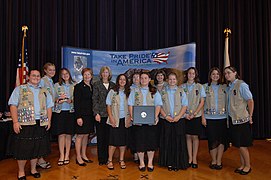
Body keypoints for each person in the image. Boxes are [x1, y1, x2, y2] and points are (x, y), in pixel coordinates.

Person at [7, 69, 53, 179]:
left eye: (38, 76)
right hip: (24, 123)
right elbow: (13, 105)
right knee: (23, 149)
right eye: (33, 75)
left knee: (37, 148)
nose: (36, 77)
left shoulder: (45, 91)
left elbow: (49, 107)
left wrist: (49, 121)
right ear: (28, 77)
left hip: (40, 123)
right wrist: (15, 122)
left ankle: (33, 169)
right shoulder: (20, 89)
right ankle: (21, 172)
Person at [128, 72, 162, 172]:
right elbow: (130, 104)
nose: (143, 80)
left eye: (145, 78)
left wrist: (155, 117)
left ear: (149, 79)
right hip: (138, 122)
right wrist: (132, 116)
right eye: (141, 78)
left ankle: (150, 162)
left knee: (151, 142)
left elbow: (158, 105)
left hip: (151, 122)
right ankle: (142, 162)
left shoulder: (154, 91)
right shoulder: (134, 91)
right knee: (140, 142)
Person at [224, 66, 254, 175]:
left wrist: (250, 115)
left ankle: (248, 166)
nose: (227, 75)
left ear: (235, 73)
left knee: (242, 145)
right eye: (225, 73)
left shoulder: (242, 85)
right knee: (238, 144)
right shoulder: (229, 87)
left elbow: (250, 100)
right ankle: (242, 165)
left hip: (242, 120)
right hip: (233, 120)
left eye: (229, 73)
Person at [159, 72, 189, 171]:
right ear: (167, 80)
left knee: (178, 142)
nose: (172, 81)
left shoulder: (181, 91)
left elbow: (185, 105)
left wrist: (179, 116)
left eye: (174, 79)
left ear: (176, 80)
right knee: (167, 141)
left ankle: (178, 163)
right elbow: (159, 106)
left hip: (178, 120)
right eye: (170, 79)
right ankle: (169, 163)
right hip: (166, 120)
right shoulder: (162, 91)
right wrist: (165, 116)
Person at [201, 67, 228, 170]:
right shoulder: (204, 87)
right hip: (209, 118)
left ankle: (219, 161)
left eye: (217, 74)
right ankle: (213, 160)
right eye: (213, 74)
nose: (215, 76)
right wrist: (203, 117)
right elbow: (201, 104)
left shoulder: (225, 87)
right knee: (212, 140)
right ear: (210, 76)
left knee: (221, 141)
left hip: (222, 118)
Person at [181, 67, 206, 168]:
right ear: (187, 75)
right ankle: (189, 158)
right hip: (186, 116)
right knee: (187, 136)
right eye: (189, 73)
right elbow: (180, 101)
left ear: (195, 75)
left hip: (196, 115)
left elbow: (202, 101)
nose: (191, 75)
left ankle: (194, 158)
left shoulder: (200, 87)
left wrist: (195, 113)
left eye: (193, 73)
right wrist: (185, 114)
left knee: (195, 137)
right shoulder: (182, 87)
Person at [106, 74, 131, 170]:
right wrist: (111, 117)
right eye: (120, 79)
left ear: (126, 81)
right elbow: (108, 105)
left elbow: (131, 106)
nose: (122, 81)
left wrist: (130, 118)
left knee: (123, 142)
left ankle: (121, 160)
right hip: (114, 119)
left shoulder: (129, 92)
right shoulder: (112, 91)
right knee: (113, 141)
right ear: (118, 81)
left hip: (125, 120)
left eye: (124, 79)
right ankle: (110, 160)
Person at [93, 66, 115, 165]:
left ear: (109, 74)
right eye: (104, 72)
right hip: (100, 115)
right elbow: (95, 100)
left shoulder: (113, 85)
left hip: (111, 115)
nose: (105, 74)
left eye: (107, 72)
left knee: (109, 137)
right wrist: (96, 113)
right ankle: (102, 159)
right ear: (101, 74)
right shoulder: (96, 85)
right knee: (101, 137)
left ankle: (109, 158)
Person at [53, 68, 76, 166]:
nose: (65, 75)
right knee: (61, 134)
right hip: (60, 112)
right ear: (60, 76)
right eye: (63, 74)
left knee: (68, 134)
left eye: (66, 73)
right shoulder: (56, 85)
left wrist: (72, 101)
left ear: (69, 74)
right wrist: (58, 99)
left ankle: (67, 155)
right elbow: (52, 98)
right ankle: (61, 155)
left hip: (71, 112)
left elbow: (77, 98)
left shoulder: (74, 85)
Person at [74, 68, 95, 166]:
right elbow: (76, 103)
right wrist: (78, 117)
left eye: (89, 74)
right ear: (82, 75)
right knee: (80, 136)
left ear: (91, 76)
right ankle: (78, 157)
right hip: (81, 115)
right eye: (85, 74)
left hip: (90, 115)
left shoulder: (92, 86)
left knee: (86, 135)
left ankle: (84, 155)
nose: (87, 76)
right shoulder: (78, 87)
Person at [37, 62, 56, 169]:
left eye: (53, 70)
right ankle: (39, 159)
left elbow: (50, 98)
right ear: (45, 70)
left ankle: (40, 158)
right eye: (50, 70)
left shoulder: (51, 82)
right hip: (42, 113)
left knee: (44, 136)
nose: (52, 72)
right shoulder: (42, 81)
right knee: (41, 136)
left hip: (50, 111)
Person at [129, 72, 140, 163]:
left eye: (138, 77)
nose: (136, 79)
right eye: (134, 77)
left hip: (143, 116)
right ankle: (135, 154)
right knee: (134, 136)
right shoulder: (129, 89)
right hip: (132, 116)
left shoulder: (145, 88)